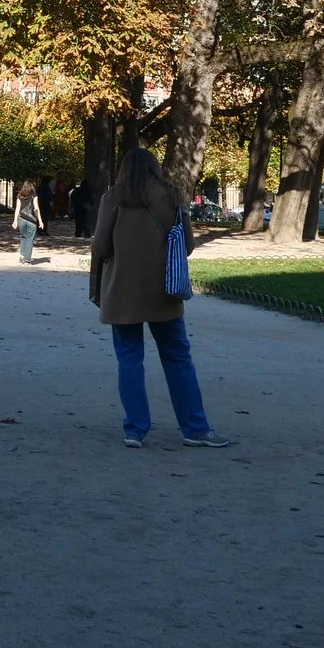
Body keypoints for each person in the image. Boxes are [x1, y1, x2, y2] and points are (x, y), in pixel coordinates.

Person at [89, 146, 230, 449]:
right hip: (163, 289)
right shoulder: (171, 196)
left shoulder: (113, 198)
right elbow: (188, 245)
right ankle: (195, 428)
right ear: (155, 167)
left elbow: (99, 247)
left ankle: (135, 429)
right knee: (178, 358)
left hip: (122, 291)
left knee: (129, 358)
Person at [14, 178, 43, 264]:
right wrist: (40, 220)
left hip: (22, 219)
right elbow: (36, 209)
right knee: (30, 239)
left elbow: (17, 209)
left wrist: (15, 220)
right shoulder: (34, 196)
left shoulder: (20, 195)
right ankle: (27, 259)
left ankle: (22, 255)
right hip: (31, 220)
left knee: (23, 237)